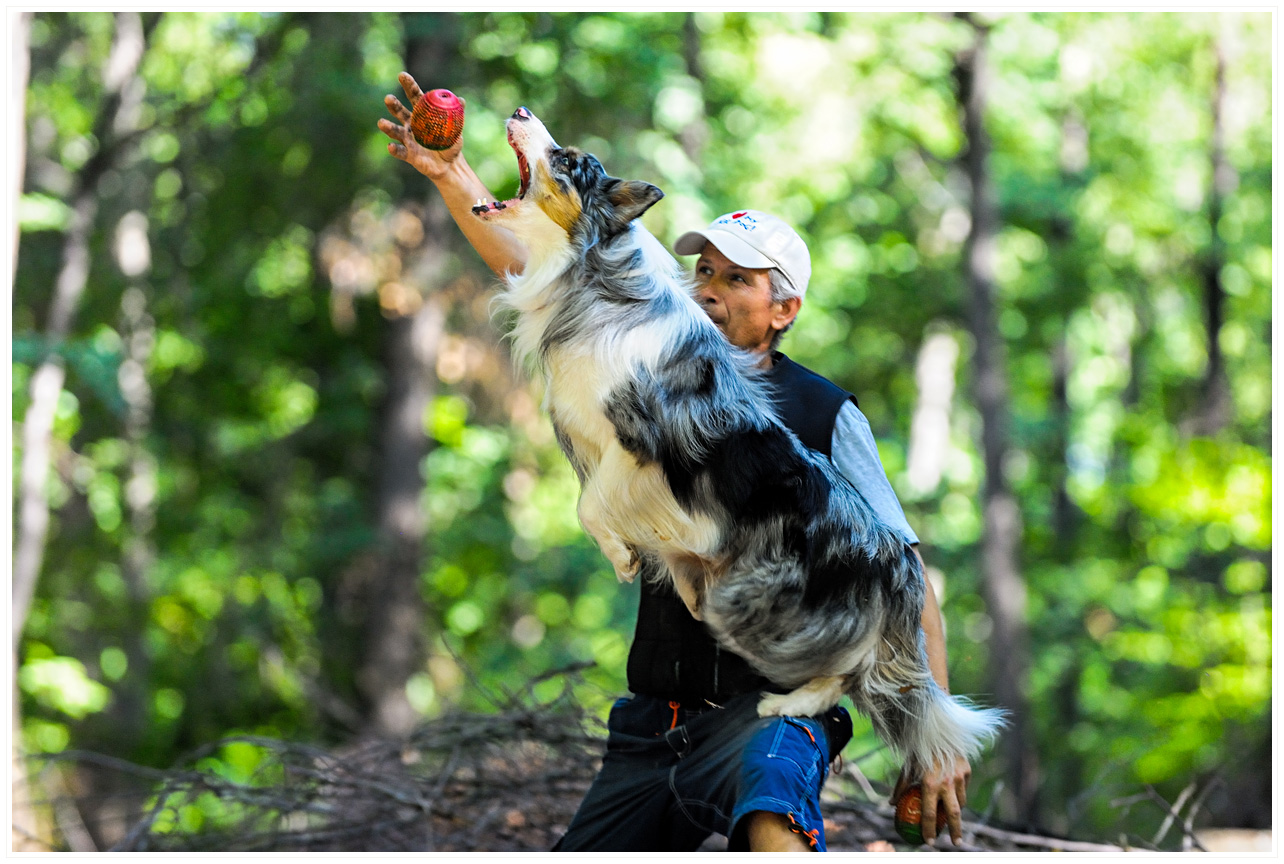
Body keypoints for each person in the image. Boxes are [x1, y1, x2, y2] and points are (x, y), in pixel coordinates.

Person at [379, 73, 971, 851]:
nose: (710, 289)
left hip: (771, 705)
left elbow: (903, 569)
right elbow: (537, 255)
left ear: (785, 308)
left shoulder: (826, 412)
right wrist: (454, 173)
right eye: (704, 271)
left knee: (772, 816)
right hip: (654, 718)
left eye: (738, 279)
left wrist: (937, 735)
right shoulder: (649, 336)